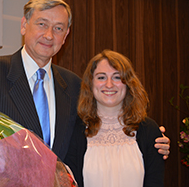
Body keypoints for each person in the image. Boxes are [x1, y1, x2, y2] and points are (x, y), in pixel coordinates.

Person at [0, 0, 169, 179]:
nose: (49, 35)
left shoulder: (73, 84)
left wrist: (151, 138)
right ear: (24, 25)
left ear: (66, 35)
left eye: (58, 28)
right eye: (42, 24)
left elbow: (101, 125)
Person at [65, 50, 165, 187]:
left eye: (117, 77)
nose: (109, 84)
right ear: (90, 84)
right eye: (101, 77)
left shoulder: (149, 130)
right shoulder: (75, 130)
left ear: (128, 83)